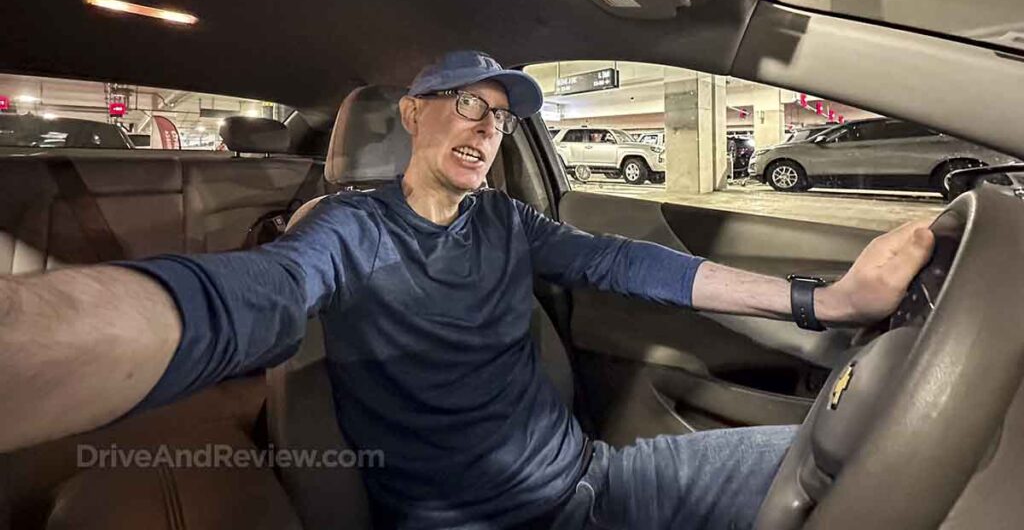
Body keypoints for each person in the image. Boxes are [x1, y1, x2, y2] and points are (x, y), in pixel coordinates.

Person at [0, 51, 935, 530]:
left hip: (592, 485)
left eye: (502, 118)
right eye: (469, 106)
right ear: (412, 114)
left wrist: (826, 302)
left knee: (855, 453)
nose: (487, 130)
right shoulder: (344, 227)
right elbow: (259, 294)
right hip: (462, 522)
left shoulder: (508, 225)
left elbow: (630, 265)